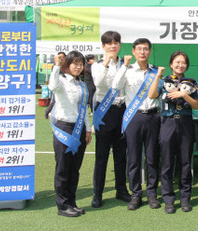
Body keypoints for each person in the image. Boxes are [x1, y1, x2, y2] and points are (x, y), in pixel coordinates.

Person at [111, 38, 164, 210]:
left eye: (146, 49)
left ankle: (152, 193)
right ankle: (135, 194)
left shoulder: (156, 71)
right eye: (139, 49)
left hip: (153, 117)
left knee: (152, 158)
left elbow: (158, 95)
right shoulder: (127, 70)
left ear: (150, 51)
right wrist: (124, 66)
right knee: (133, 158)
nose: (143, 52)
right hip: (134, 117)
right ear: (133, 51)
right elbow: (115, 86)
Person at [48, 51, 92, 217]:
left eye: (81, 64)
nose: (78, 67)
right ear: (68, 64)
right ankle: (62, 205)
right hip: (64, 128)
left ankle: (72, 202)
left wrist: (87, 129)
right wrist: (56, 66)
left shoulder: (81, 84)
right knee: (63, 169)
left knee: (75, 169)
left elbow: (84, 109)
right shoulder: (60, 80)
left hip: (79, 129)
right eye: (75, 63)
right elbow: (52, 86)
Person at [90, 31, 131, 208]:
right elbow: (99, 84)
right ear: (103, 46)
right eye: (109, 43)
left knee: (121, 154)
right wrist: (106, 63)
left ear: (120, 45)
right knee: (101, 155)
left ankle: (121, 190)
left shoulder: (126, 64)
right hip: (104, 111)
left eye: (116, 43)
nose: (113, 46)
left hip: (122, 110)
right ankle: (97, 193)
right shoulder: (97, 65)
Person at [159, 50, 198, 214]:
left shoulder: (191, 83)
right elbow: (153, 94)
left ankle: (185, 198)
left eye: (183, 62)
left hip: (185, 122)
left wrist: (183, 94)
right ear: (171, 64)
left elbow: (196, 105)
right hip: (168, 122)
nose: (180, 65)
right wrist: (159, 77)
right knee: (167, 163)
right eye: (177, 62)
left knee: (185, 162)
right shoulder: (164, 81)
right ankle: (168, 199)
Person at [44, 52, 66, 119]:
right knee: (54, 100)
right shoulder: (56, 66)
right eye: (59, 57)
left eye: (62, 57)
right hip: (57, 85)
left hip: (64, 86)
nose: (61, 58)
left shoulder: (66, 65)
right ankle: (47, 111)